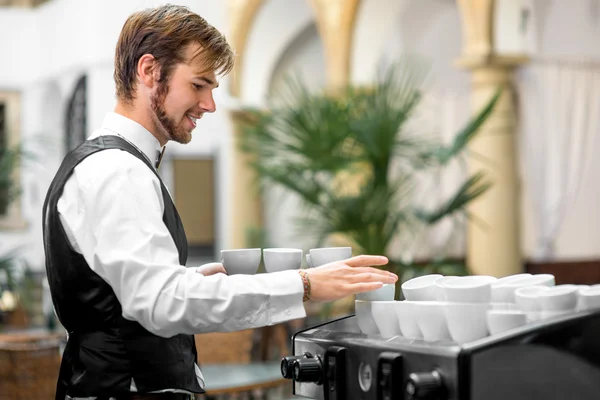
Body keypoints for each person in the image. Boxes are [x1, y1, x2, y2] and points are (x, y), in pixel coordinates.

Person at [42, 4, 398, 400]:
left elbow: (126, 296)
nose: (210, 104)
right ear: (148, 71)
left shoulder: (109, 164)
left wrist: (192, 282)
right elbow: (161, 304)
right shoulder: (118, 171)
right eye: (199, 85)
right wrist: (305, 284)